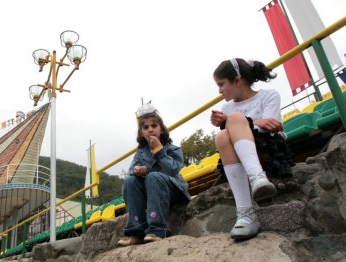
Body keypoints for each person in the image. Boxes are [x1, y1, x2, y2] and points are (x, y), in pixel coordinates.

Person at [210, 58, 294, 241]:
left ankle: (257, 180)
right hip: (243, 154)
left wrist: (239, 120)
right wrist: (255, 121)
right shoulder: (227, 108)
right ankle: (246, 212)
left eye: (221, 84)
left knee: (234, 119)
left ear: (237, 80)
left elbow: (271, 126)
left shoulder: (269, 95)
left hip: (270, 150)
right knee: (221, 136)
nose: (219, 90)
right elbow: (258, 124)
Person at [119, 103, 191, 246]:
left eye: (154, 126)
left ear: (161, 130)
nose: (150, 129)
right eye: (146, 127)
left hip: (173, 189)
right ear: (141, 133)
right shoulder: (140, 153)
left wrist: (158, 150)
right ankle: (136, 231)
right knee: (129, 181)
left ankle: (158, 229)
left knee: (154, 176)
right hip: (150, 191)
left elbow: (172, 170)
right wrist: (138, 171)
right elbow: (132, 171)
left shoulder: (173, 149)